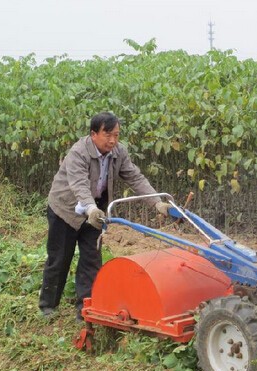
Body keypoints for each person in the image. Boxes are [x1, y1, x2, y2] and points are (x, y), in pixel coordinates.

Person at [39, 112, 171, 319]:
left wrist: (157, 202)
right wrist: (89, 208)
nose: (112, 141)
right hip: (65, 210)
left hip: (96, 211)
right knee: (60, 258)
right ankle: (48, 305)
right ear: (94, 134)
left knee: (91, 259)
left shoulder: (119, 153)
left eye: (116, 135)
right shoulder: (78, 153)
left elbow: (135, 178)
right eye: (107, 135)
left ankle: (86, 308)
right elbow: (79, 185)